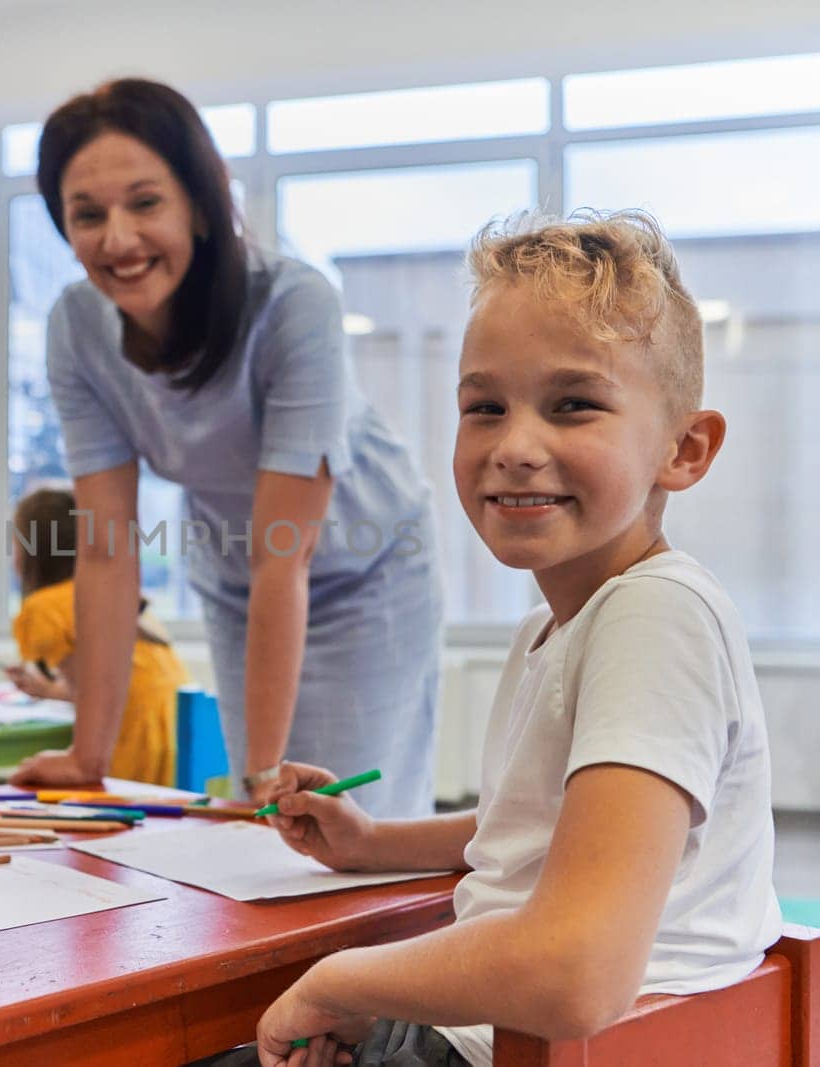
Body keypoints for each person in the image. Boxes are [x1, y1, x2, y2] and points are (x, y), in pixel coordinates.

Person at [228, 211, 783, 1067]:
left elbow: (577, 973)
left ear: (685, 448)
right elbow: (540, 828)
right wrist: (372, 841)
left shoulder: (655, 617)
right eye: (484, 406)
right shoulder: (560, 624)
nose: (515, 447)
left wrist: (342, 980)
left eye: (573, 405)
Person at [11, 78, 441, 816]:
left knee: (344, 818)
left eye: (145, 203)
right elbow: (108, 548)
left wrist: (263, 776)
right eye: (87, 215)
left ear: (202, 208)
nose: (118, 239)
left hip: (366, 567)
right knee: (268, 821)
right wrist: (90, 755)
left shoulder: (292, 304)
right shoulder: (77, 327)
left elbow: (287, 549)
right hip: (241, 575)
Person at [6, 485, 188, 785]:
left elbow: (89, 689)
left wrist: (48, 690)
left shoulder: (43, 608)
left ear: (31, 551)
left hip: (130, 730)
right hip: (176, 725)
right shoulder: (113, 594)